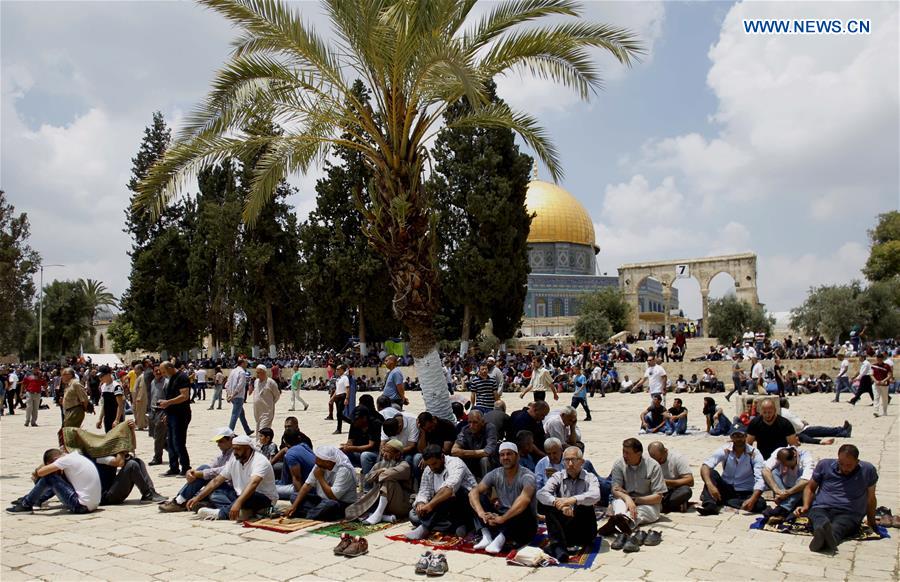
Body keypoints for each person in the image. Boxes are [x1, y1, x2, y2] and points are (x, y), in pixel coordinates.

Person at [795, 444, 878, 553]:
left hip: (850, 512)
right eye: (841, 463)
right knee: (820, 519)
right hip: (822, 507)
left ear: (857, 462)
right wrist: (806, 506)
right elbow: (810, 487)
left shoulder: (868, 470)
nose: (844, 468)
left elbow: (871, 498)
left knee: (840, 526)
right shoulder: (824, 465)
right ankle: (824, 536)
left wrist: (872, 521)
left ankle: (826, 538)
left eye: (849, 465)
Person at [186, 435, 278, 520]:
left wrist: (238, 502)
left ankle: (220, 513)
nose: (235, 453)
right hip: (240, 495)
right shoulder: (234, 459)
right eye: (233, 449)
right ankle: (243, 511)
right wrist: (197, 498)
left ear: (248, 448)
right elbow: (216, 481)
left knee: (249, 497)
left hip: (263, 498)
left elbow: (253, 484)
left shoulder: (260, 461)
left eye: (238, 449)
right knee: (216, 493)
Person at [469, 442, 538, 554]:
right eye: (502, 455)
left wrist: (503, 518)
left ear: (517, 456)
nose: (505, 457)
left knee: (521, 506)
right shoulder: (495, 474)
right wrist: (482, 514)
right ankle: (486, 536)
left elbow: (524, 500)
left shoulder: (527, 476)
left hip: (522, 523)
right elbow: (473, 492)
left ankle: (500, 539)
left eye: (509, 454)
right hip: (502, 517)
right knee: (477, 498)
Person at [536, 446, 601, 563]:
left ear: (582, 462)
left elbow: (596, 495)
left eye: (574, 460)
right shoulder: (558, 476)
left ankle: (556, 547)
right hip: (564, 529)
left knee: (584, 504)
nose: (570, 464)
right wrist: (558, 503)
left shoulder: (590, 477)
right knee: (545, 504)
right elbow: (541, 493)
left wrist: (572, 500)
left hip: (584, 530)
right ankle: (559, 547)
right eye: (567, 460)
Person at [406, 445, 477, 540]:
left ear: (442, 457)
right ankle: (457, 526)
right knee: (413, 516)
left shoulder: (456, 463)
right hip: (443, 511)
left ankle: (426, 527)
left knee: (448, 494)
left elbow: (449, 488)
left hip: (465, 505)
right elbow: (424, 490)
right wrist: (421, 503)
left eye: (434, 463)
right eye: (429, 465)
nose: (432, 468)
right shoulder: (429, 470)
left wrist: (430, 505)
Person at [159, 427, 235, 512]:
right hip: (222, 485)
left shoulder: (236, 453)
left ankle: (180, 501)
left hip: (232, 488)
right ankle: (182, 500)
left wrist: (201, 473)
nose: (218, 445)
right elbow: (211, 465)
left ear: (231, 440)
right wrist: (192, 472)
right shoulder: (225, 453)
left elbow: (224, 470)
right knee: (203, 469)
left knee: (205, 473)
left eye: (221, 441)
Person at [7, 447, 101, 514]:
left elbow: (41, 472)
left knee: (50, 477)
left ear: (55, 460)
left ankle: (26, 504)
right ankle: (34, 500)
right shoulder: (76, 457)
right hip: (93, 504)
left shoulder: (64, 460)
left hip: (81, 506)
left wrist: (40, 471)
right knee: (57, 481)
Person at [697, 426, 766, 515]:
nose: (738, 439)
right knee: (711, 473)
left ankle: (724, 501)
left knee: (760, 504)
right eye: (735, 436)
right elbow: (705, 466)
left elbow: (760, 478)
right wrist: (710, 486)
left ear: (745, 436)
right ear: (731, 437)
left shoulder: (754, 453)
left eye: (741, 436)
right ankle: (710, 505)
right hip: (727, 488)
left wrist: (752, 499)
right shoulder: (725, 450)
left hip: (745, 491)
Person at [604, 438, 666, 535]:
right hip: (625, 501)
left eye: (628, 453)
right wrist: (627, 498)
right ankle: (622, 522)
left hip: (647, 504)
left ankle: (620, 521)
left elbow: (658, 497)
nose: (624, 455)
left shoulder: (653, 466)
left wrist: (635, 500)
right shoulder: (619, 464)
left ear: (639, 453)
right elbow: (615, 490)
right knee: (619, 502)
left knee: (641, 512)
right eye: (623, 452)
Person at [283, 446, 359, 521]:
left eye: (318, 459)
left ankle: (309, 516)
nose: (315, 461)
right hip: (322, 500)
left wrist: (320, 478)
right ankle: (316, 513)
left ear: (328, 462)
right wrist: (293, 506)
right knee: (294, 496)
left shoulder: (344, 470)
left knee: (329, 504)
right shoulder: (319, 466)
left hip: (341, 504)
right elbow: (307, 485)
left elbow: (333, 497)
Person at [348, 439, 413, 525]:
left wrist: (381, 472)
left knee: (388, 481)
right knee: (350, 511)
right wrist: (382, 470)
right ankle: (383, 516)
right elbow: (367, 478)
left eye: (388, 452)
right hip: (384, 503)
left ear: (397, 454)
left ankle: (378, 514)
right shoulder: (380, 465)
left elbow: (385, 476)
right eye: (384, 450)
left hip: (401, 504)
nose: (384, 454)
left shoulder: (404, 466)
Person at [94, 450, 167, 505]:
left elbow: (130, 456)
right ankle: (147, 494)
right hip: (106, 497)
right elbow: (119, 462)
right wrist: (121, 449)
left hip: (112, 488)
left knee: (137, 461)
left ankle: (150, 492)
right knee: (132, 465)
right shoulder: (98, 457)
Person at [761, 446, 814, 520]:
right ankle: (784, 505)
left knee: (804, 480)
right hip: (783, 489)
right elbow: (765, 470)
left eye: (786, 464)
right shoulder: (780, 452)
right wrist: (777, 491)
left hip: (798, 492)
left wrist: (788, 493)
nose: (784, 466)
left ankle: (783, 509)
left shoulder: (807, 458)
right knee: (773, 472)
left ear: (795, 456)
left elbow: (806, 481)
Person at [159, 362, 192, 477]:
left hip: (181, 414)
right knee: (171, 442)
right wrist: (166, 413)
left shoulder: (182, 377)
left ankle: (185, 467)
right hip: (172, 414)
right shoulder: (171, 378)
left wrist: (168, 403)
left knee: (179, 441)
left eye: (164, 371)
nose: (162, 374)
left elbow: (184, 396)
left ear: (170, 368)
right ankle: (174, 467)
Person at [778, 398, 851, 444]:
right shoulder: (785, 411)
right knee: (822, 430)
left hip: (798, 431)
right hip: (801, 430)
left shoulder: (782, 412)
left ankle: (842, 431)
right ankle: (842, 431)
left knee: (822, 432)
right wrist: (803, 424)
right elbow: (797, 424)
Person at [647, 442, 693, 513]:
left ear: (665, 451)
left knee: (686, 491)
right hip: (656, 492)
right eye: (655, 460)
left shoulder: (677, 459)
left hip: (672, 491)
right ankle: (673, 505)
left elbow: (690, 480)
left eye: (660, 459)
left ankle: (661, 505)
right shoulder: (648, 461)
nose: (657, 463)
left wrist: (666, 482)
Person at [451, 409, 498, 479]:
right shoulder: (465, 430)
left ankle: (487, 486)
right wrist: (476, 453)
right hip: (472, 462)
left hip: (489, 464)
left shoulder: (489, 428)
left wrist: (464, 453)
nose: (471, 425)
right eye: (469, 422)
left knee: (484, 460)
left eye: (475, 422)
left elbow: (489, 451)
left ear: (482, 422)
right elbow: (454, 451)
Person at [225, 358, 253, 435]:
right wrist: (233, 395)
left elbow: (227, 384)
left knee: (241, 414)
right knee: (235, 415)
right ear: (242, 363)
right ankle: (229, 432)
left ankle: (247, 430)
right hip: (238, 396)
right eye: (246, 363)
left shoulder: (233, 371)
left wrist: (228, 394)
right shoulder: (242, 372)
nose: (247, 364)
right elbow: (240, 385)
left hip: (232, 395)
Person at [148, 366, 169, 466]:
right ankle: (173, 450)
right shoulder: (153, 382)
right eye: (155, 370)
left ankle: (157, 457)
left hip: (162, 411)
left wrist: (167, 413)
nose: (158, 372)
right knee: (155, 435)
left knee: (159, 436)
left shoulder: (166, 382)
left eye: (159, 370)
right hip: (153, 411)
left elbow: (169, 399)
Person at [95, 366, 125, 433]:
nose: (100, 378)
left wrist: (117, 420)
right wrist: (100, 419)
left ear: (108, 374)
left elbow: (120, 405)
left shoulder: (116, 386)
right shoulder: (103, 386)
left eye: (102, 376)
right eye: (99, 376)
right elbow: (104, 404)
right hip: (107, 418)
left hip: (116, 418)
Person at [252, 364, 280, 434]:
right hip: (257, 410)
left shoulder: (271, 383)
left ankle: (262, 444)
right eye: (256, 372)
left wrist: (270, 404)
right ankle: (259, 443)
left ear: (264, 372)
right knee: (258, 428)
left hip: (267, 411)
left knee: (263, 429)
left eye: (258, 373)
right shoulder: (256, 382)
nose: (257, 374)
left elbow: (277, 395)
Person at [329, 364, 350, 434]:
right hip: (337, 397)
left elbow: (347, 388)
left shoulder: (345, 378)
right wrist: (332, 398)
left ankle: (339, 429)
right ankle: (351, 423)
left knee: (339, 414)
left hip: (342, 397)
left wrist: (347, 398)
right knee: (339, 414)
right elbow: (337, 390)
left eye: (338, 369)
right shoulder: (338, 379)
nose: (337, 370)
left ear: (342, 370)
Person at [871, 353, 893, 418]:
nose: (879, 360)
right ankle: (876, 411)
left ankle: (885, 411)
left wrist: (883, 381)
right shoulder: (873, 366)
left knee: (885, 399)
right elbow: (871, 375)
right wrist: (876, 381)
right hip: (876, 384)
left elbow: (889, 375)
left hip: (884, 385)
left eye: (880, 359)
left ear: (882, 359)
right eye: (878, 359)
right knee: (876, 397)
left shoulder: (887, 366)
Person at [131, 364, 149, 431]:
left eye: (135, 369)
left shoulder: (142, 376)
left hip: (140, 398)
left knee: (140, 412)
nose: (134, 371)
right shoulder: (138, 377)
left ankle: (140, 426)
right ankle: (146, 423)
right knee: (138, 412)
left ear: (139, 369)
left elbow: (142, 387)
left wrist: (139, 397)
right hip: (136, 397)